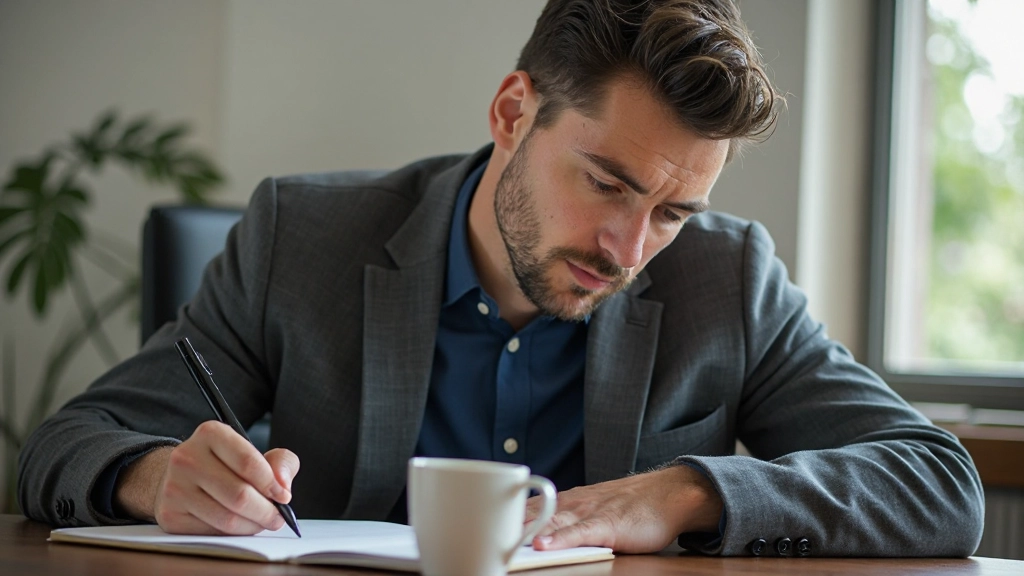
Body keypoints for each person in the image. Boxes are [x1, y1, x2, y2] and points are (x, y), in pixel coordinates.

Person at [19, 0, 983, 557]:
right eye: (606, 181)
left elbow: (940, 483)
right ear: (514, 111)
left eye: (674, 210)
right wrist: (152, 479)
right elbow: (64, 444)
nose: (629, 245)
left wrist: (683, 496)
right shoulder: (300, 235)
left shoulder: (728, 279)